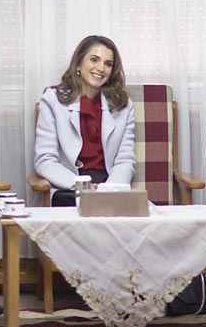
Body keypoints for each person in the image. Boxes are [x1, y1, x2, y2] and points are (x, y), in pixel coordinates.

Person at [34, 35, 135, 205]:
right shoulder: (52, 100)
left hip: (109, 185)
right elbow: (45, 160)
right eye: (94, 60)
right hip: (69, 186)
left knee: (138, 213)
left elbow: (125, 160)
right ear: (79, 64)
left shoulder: (123, 105)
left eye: (108, 64)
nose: (101, 68)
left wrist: (107, 190)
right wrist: (82, 185)